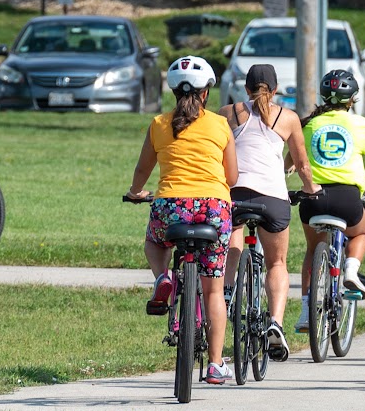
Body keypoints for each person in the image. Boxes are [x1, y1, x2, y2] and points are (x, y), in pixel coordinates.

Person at [127, 55, 239, 386]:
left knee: (153, 241)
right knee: (213, 289)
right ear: (206, 92)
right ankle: (217, 364)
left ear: (173, 91)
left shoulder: (159, 124)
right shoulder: (220, 124)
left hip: (170, 206)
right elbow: (231, 176)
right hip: (213, 210)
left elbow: (142, 170)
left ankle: (164, 277)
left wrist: (136, 192)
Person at [219, 63, 319, 362]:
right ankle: (275, 322)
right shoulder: (287, 117)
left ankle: (226, 291)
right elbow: (301, 163)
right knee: (277, 262)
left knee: (231, 247)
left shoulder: (227, 113)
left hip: (235, 193)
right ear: (275, 90)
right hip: (272, 199)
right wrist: (311, 188)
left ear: (245, 88)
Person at [298, 69, 365, 325]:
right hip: (347, 198)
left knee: (312, 250)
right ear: (352, 98)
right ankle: (351, 271)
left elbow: (293, 161)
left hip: (313, 199)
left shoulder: (310, 124)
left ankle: (304, 312)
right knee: (360, 232)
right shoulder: (360, 124)